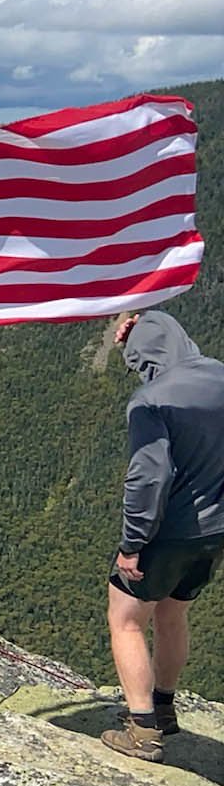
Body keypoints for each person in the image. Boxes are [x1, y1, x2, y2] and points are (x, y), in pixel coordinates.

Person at [107, 308, 224, 755]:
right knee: (173, 614)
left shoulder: (152, 400)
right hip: (216, 531)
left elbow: (148, 478)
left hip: (170, 532)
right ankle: (165, 708)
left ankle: (142, 731)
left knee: (126, 619)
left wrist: (132, 545)